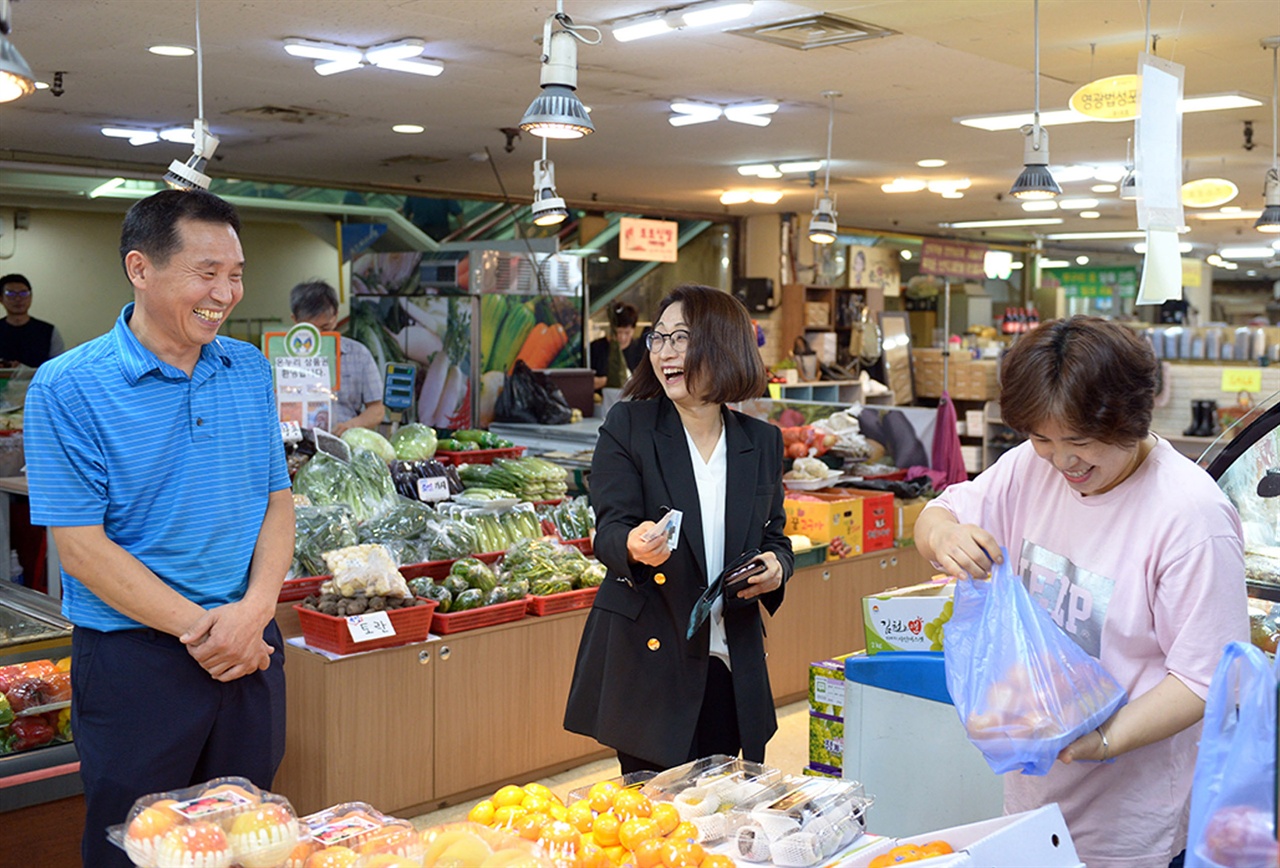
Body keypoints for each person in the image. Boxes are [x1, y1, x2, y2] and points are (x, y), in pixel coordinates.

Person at [914, 316, 1249, 868]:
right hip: (1035, 795)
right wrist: (943, 536)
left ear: (1131, 420)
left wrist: (1104, 741)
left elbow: (1205, 678)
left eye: (1081, 442)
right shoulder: (1032, 466)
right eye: (1041, 437)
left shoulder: (1190, 517)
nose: (1062, 461)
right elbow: (944, 509)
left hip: (1132, 819)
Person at [23, 189, 294, 867]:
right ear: (140, 268)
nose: (225, 293)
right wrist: (205, 631)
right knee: (138, 845)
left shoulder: (249, 368)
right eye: (206, 273)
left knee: (247, 839)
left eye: (235, 274)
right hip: (135, 660)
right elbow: (81, 549)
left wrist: (255, 614)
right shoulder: (68, 386)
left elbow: (276, 501)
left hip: (248, 648)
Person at [565, 284, 793, 773]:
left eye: (680, 338)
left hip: (731, 659)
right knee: (656, 820)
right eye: (658, 338)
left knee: (722, 812)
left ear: (722, 344)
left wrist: (777, 566)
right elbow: (608, 526)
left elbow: (775, 536)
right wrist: (631, 544)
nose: (664, 352)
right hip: (652, 660)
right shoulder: (630, 426)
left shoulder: (762, 442)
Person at [289, 280, 385, 435]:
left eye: (325, 328)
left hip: (343, 444)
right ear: (295, 320)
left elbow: (377, 409)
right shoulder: (278, 358)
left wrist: (351, 426)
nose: (318, 336)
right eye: (310, 329)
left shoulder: (359, 354)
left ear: (336, 316)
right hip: (293, 446)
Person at [0, 273, 64, 367]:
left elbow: (58, 368)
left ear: (30, 297)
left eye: (23, 293)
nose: (18, 298)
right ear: (1, 299)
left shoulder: (48, 331)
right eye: (11, 294)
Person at [590, 301, 645, 392]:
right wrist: (610, 381)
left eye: (627, 333)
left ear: (634, 329)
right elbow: (584, 383)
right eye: (618, 332)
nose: (622, 337)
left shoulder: (640, 350)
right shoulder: (595, 348)